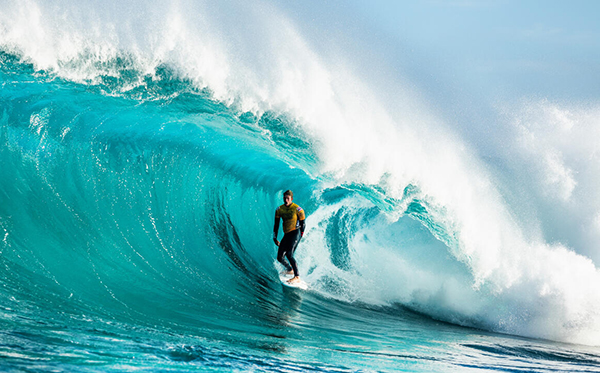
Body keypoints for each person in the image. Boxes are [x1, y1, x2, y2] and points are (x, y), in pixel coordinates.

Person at [273, 190, 305, 284]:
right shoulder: (279, 209)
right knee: (280, 257)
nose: (286, 200)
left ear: (291, 199)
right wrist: (274, 237)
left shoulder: (298, 209)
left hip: (296, 233)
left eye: (288, 198)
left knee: (289, 254)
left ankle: (297, 276)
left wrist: (301, 235)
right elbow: (276, 224)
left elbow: (303, 224)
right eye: (284, 198)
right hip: (287, 234)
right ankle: (289, 269)